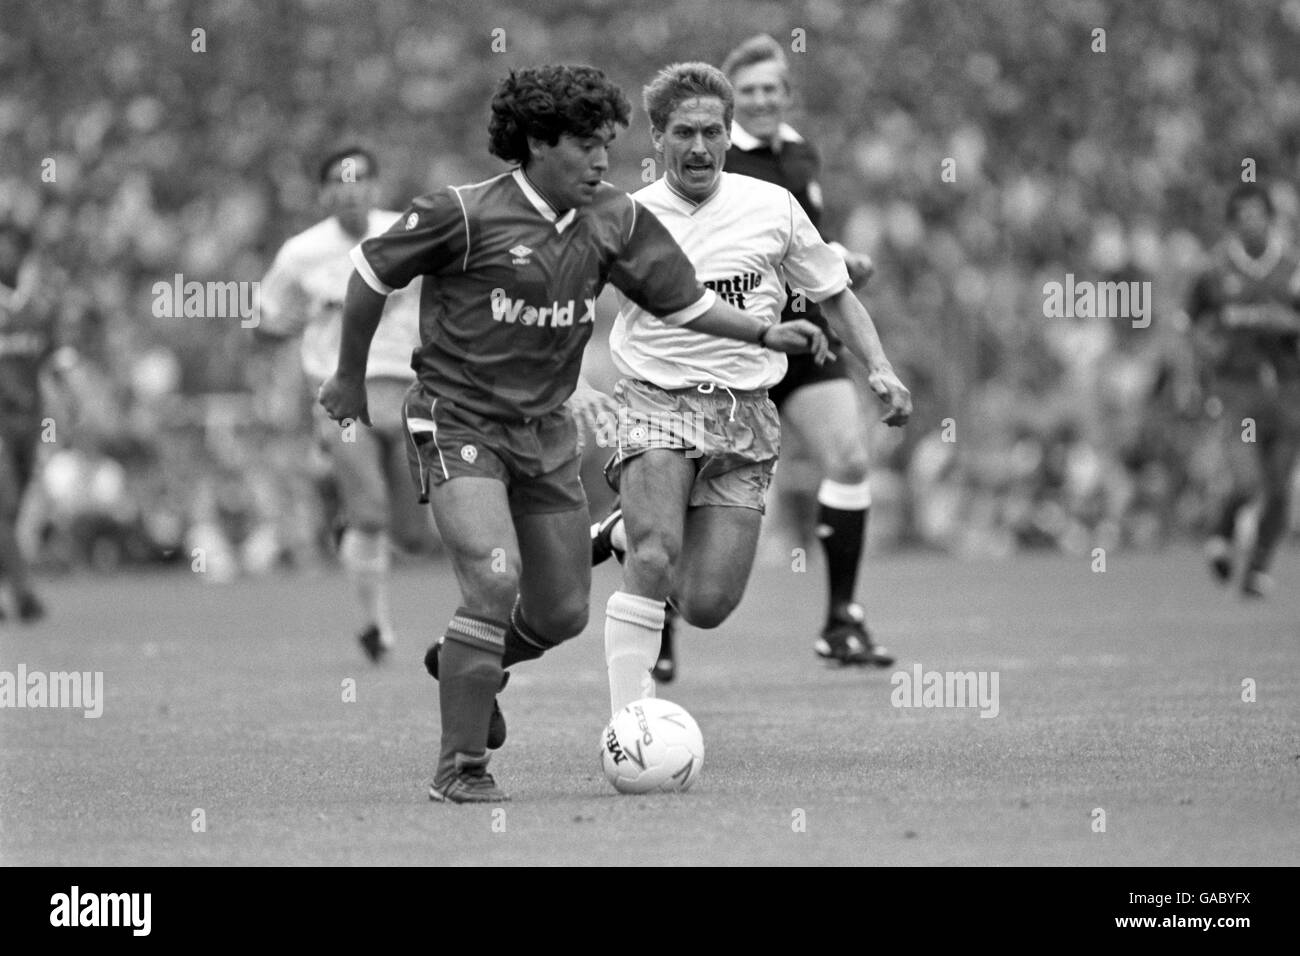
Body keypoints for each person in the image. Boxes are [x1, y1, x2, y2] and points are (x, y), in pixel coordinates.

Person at [317, 64, 830, 803]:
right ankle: (461, 768)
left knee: (560, 611)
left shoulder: (614, 218)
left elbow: (683, 304)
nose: (602, 159)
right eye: (586, 145)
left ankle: (473, 666)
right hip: (458, 420)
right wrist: (347, 376)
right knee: (494, 577)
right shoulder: (460, 213)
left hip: (547, 431)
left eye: (607, 144)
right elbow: (371, 271)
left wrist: (762, 330)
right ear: (535, 143)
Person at [591, 62, 911, 718]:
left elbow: (834, 292)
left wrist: (879, 366)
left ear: (730, 134)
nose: (700, 146)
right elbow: (570, 306)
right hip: (658, 397)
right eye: (683, 132)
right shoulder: (627, 217)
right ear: (657, 138)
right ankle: (632, 722)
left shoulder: (772, 208)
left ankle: (622, 530)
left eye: (713, 131)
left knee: (707, 604)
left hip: (745, 415)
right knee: (656, 557)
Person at [258, 146, 431, 661]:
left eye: (360, 180)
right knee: (374, 512)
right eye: (339, 181)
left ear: (375, 187)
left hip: (406, 392)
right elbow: (266, 315)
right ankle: (376, 625)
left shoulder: (409, 230)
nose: (350, 190)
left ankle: (349, 528)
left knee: (414, 536)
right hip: (341, 394)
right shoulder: (300, 253)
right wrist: (285, 324)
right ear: (323, 193)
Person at [1187, 182, 1300, 597]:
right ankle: (1221, 530)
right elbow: (1192, 323)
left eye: (1258, 214)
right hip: (1239, 388)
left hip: (1287, 388)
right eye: (1243, 216)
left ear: (1270, 218)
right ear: (1232, 223)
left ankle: (1257, 568)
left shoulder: (1292, 266)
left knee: (1280, 484)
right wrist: (1204, 354)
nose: (1251, 223)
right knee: (1248, 479)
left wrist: (1286, 324)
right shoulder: (1215, 270)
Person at [0, 221, 57, 624]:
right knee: (1, 506)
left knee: (14, 510)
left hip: (28, 425)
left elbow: (49, 367)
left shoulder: (36, 310)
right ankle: (23, 594)